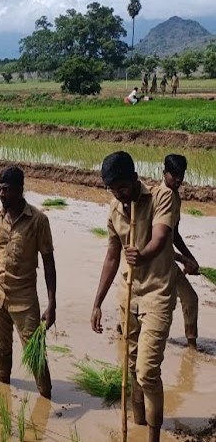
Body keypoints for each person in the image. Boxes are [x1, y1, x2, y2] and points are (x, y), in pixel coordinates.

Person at [91, 151, 177, 441]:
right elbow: (112, 258)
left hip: (157, 295)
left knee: (146, 372)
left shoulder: (160, 197)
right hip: (128, 296)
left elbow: (161, 237)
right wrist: (97, 302)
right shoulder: (115, 210)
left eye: (122, 188)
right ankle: (138, 425)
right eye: (112, 189)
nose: (119, 194)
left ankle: (153, 436)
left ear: (134, 178)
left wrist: (142, 255)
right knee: (129, 370)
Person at [0, 165, 56, 399]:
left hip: (24, 299)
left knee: (35, 353)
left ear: (20, 190)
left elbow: (49, 262)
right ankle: (4, 392)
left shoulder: (38, 220)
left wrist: (51, 303)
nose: (1, 194)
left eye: (6, 190)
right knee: (1, 350)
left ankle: (46, 396)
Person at [161, 154, 200, 348]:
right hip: (155, 264)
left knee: (190, 299)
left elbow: (174, 234)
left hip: (169, 260)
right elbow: (157, 241)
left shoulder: (175, 196)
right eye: (173, 175)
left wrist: (190, 257)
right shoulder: (159, 198)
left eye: (180, 175)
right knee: (153, 305)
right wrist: (184, 259)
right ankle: (122, 329)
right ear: (164, 173)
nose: (177, 179)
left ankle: (191, 345)